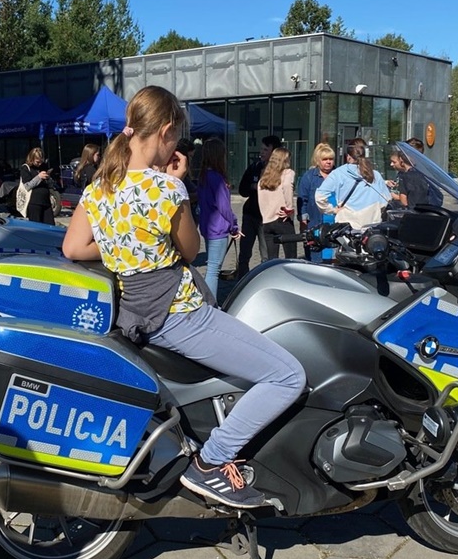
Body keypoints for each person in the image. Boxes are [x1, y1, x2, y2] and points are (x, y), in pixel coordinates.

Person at [62, 85, 306, 509]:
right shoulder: (166, 190)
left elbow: (73, 249)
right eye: (177, 139)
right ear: (167, 131)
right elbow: (191, 251)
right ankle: (212, 463)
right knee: (287, 376)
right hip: (180, 315)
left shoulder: (99, 186)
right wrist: (174, 186)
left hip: (133, 313)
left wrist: (126, 245)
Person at [196, 138, 240, 297]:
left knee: (211, 267)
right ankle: (211, 304)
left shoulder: (203, 176)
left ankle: (209, 302)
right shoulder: (217, 178)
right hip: (219, 230)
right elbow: (224, 207)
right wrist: (234, 225)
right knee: (214, 269)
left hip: (208, 228)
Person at [315, 138, 391, 228]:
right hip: (371, 226)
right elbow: (386, 200)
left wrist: (333, 210)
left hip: (346, 226)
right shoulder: (375, 175)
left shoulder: (338, 173)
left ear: (348, 156)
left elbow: (320, 196)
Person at [236, 135, 281, 279]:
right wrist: (254, 187)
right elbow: (242, 190)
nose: (261, 152)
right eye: (261, 149)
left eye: (265, 149)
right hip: (250, 215)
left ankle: (265, 281)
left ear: (274, 152)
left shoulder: (280, 171)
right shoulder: (254, 167)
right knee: (244, 253)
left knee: (266, 254)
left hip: (267, 218)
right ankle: (241, 281)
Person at [297, 143, 336, 262]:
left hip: (335, 224)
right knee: (315, 260)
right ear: (318, 161)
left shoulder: (338, 175)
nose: (328, 162)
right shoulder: (309, 177)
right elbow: (302, 199)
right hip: (315, 223)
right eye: (325, 159)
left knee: (333, 260)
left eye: (331, 159)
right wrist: (303, 219)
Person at [258, 147, 297, 260]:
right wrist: (289, 209)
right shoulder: (287, 173)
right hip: (282, 219)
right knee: (291, 257)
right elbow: (287, 186)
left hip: (267, 221)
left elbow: (261, 200)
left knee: (272, 259)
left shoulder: (264, 179)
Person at [19, 147, 55, 225]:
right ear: (32, 159)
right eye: (37, 162)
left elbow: (50, 184)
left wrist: (48, 178)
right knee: (36, 225)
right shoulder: (25, 168)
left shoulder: (43, 166)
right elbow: (27, 186)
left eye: (41, 161)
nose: (39, 164)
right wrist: (39, 177)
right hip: (34, 202)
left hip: (46, 201)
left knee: (50, 225)